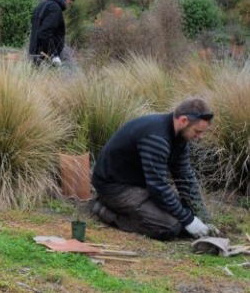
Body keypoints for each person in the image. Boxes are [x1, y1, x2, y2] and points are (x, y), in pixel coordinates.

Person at [91, 97, 219, 241]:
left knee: (185, 214)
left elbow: (185, 178)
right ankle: (103, 209)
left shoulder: (180, 138)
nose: (199, 137)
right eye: (197, 131)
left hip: (140, 185)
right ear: (183, 121)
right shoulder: (156, 138)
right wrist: (188, 220)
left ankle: (138, 208)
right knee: (170, 227)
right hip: (114, 187)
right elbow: (158, 187)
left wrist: (202, 217)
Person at [28, 0, 76, 66]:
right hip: (45, 57)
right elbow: (44, 32)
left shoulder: (41, 5)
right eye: (69, 3)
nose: (67, 5)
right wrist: (54, 55)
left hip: (34, 53)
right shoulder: (55, 9)